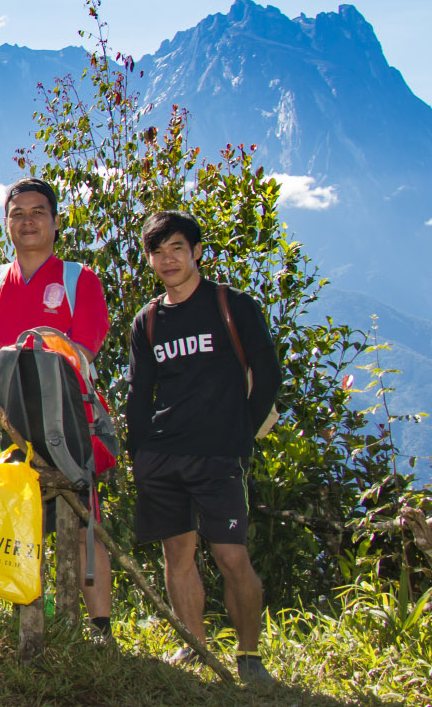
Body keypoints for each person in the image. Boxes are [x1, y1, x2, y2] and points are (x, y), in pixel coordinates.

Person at [126, 210, 280, 686]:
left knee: (232, 557)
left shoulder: (232, 306)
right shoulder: (148, 320)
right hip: (164, 455)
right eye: (158, 251)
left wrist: (240, 435)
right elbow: (139, 392)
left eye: (177, 248)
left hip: (218, 456)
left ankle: (249, 657)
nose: (167, 259)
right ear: (149, 259)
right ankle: (195, 647)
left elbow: (268, 375)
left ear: (196, 252)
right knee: (178, 556)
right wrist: (140, 452)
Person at [0, 177, 114, 629]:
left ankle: (99, 627)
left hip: (67, 424)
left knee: (83, 523)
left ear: (56, 221)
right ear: (5, 223)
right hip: (3, 424)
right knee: (14, 526)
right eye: (17, 213)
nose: (27, 221)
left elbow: (83, 347)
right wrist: (7, 398)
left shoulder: (78, 278)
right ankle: (21, 618)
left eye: (38, 212)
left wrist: (39, 398)